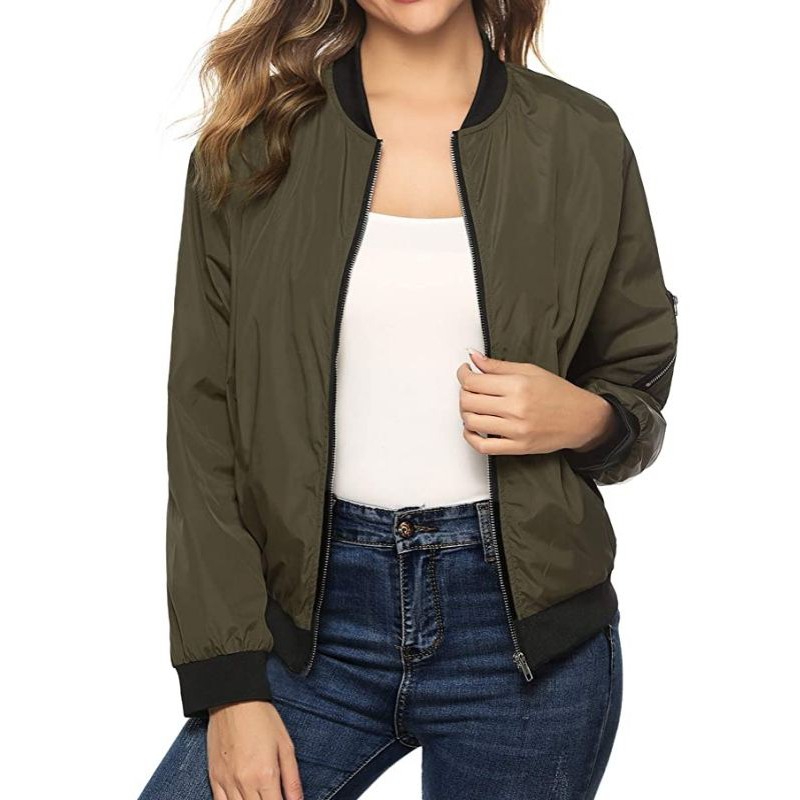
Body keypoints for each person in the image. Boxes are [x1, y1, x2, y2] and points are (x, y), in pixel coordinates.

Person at [140, 0, 678, 798]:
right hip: (308, 631)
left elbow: (636, 376)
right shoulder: (257, 143)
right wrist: (230, 685)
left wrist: (586, 418)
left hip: (528, 643)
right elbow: (203, 422)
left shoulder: (580, 138)